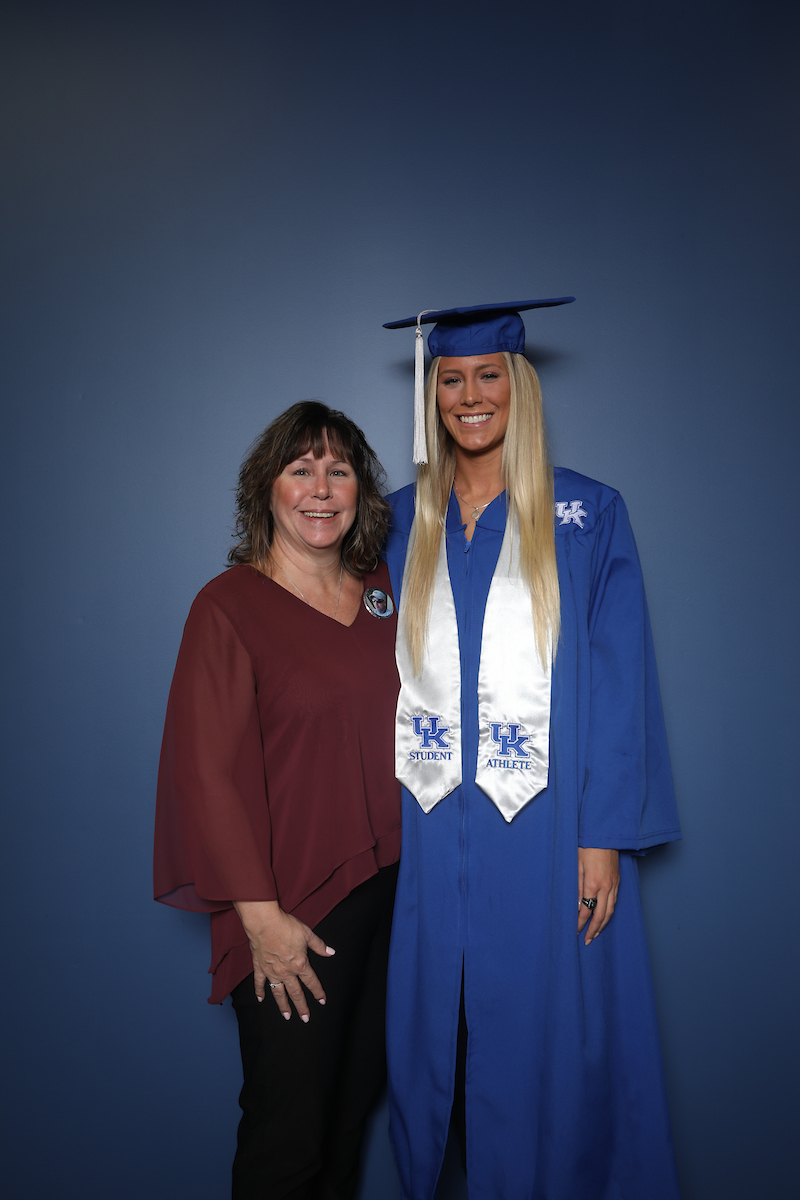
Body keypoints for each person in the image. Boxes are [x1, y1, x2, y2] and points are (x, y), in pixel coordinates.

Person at [382, 300, 682, 1200]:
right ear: (431, 395)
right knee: (440, 1032)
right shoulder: (396, 524)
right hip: (428, 826)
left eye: (488, 378)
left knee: (553, 1037)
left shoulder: (589, 514)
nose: (470, 397)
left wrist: (606, 836)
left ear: (519, 388)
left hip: (549, 830)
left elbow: (623, 682)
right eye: (450, 379)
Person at [153, 401, 401, 1200]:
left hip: (394, 892)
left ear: (362, 488)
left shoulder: (383, 594)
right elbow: (208, 775)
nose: (321, 488)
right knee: (288, 1133)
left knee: (350, 1112)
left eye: (339, 469)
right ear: (267, 489)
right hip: (291, 908)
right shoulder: (228, 606)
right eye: (301, 470)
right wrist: (262, 924)